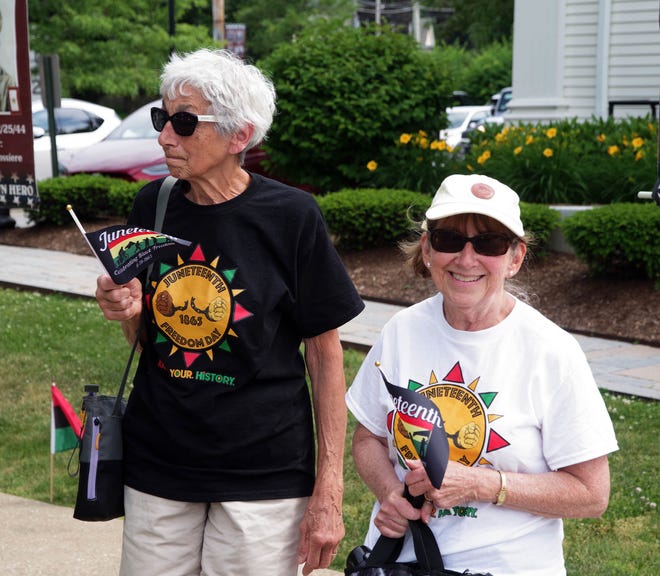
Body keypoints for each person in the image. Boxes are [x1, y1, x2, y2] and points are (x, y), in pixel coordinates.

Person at [95, 48, 364, 576]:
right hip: (159, 465)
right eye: (162, 118)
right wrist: (124, 305)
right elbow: (147, 340)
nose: (165, 136)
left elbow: (327, 357)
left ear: (240, 135)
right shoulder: (152, 205)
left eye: (184, 122)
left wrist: (328, 487)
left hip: (263, 476)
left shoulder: (292, 217)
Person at [345, 173, 618, 575]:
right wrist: (390, 493)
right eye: (449, 239)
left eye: (488, 243)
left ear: (515, 258)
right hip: (401, 563)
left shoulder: (551, 351)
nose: (466, 259)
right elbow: (369, 436)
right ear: (427, 249)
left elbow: (592, 494)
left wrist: (482, 484)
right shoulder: (401, 331)